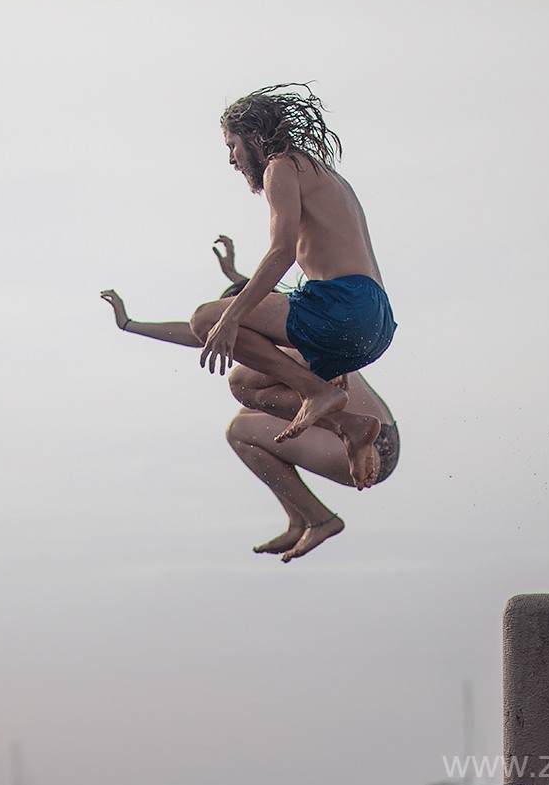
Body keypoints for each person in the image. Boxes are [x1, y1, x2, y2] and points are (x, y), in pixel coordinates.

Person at [100, 235, 399, 561]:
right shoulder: (295, 328)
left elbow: (258, 303)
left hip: (373, 446)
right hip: (382, 438)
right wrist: (130, 324)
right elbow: (204, 331)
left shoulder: (295, 337)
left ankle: (319, 516)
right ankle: (300, 518)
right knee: (245, 418)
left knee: (241, 422)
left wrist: (236, 294)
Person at [189, 83, 398, 492]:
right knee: (244, 384)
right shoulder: (323, 173)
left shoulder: (280, 167)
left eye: (232, 146)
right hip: (374, 322)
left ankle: (317, 394)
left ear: (253, 136)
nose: (231, 159)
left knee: (204, 319)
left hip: (344, 306)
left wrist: (230, 318)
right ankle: (349, 425)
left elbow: (281, 252)